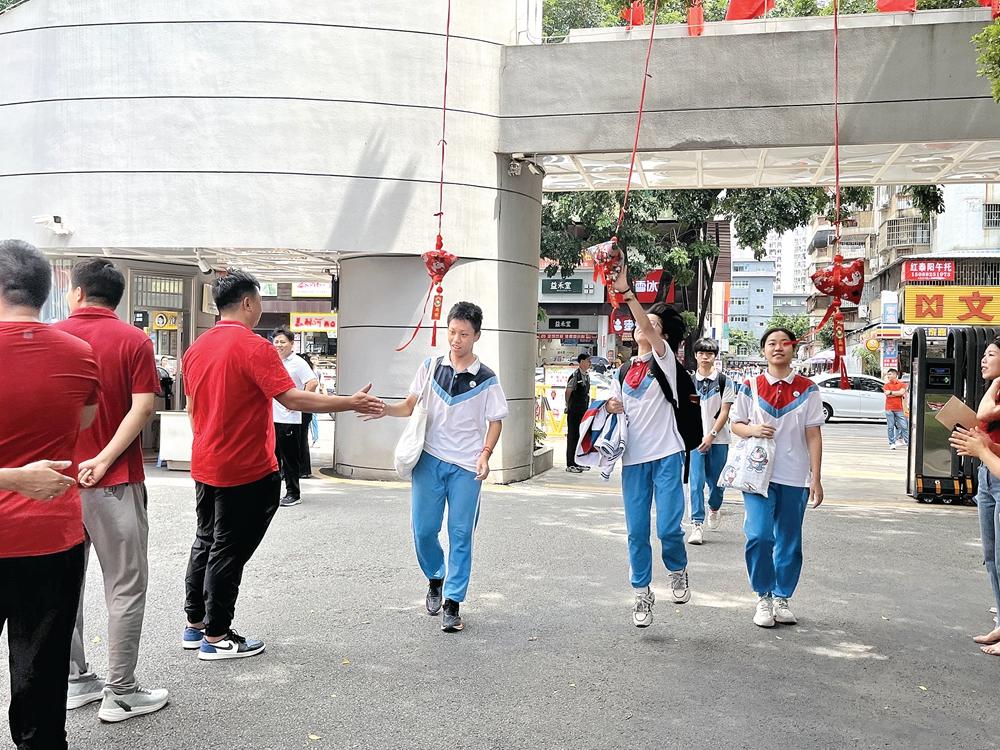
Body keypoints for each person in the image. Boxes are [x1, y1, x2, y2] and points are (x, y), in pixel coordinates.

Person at [181, 270, 384, 660]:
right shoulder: (254, 348)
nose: (260, 309)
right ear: (246, 303)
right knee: (228, 550)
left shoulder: (197, 348)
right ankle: (218, 635)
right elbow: (293, 400)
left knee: (206, 540)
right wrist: (350, 402)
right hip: (245, 468)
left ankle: (195, 625)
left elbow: (193, 408)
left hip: (206, 463)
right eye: (258, 301)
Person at [52, 258, 168, 722]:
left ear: (76, 292)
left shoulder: (52, 336)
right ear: (115, 297)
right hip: (115, 482)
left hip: (54, 482)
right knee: (125, 585)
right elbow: (143, 409)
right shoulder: (134, 339)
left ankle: (75, 680)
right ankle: (120, 692)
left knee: (63, 586)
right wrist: (103, 459)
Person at [0, 239, 99, 750]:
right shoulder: (80, 354)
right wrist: (18, 477)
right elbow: (81, 421)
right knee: (42, 671)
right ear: (49, 292)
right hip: (52, 535)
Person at [368, 302, 507, 633]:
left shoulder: (487, 378)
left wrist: (485, 454)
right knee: (424, 530)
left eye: (463, 334)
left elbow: (496, 420)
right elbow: (409, 406)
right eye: (452, 332)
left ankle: (453, 602)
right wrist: (384, 410)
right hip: (429, 461)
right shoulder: (431, 367)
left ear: (476, 336)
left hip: (466, 468)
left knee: (461, 534)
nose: (456, 340)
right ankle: (436, 576)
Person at [606, 271, 692, 629]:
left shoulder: (665, 361)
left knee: (669, 527)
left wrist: (625, 292)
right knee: (636, 531)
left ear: (663, 336)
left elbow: (648, 325)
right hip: (634, 461)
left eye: (652, 324)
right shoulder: (623, 371)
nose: (643, 326)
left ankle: (677, 567)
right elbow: (612, 405)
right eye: (641, 323)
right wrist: (611, 406)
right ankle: (641, 590)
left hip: (668, 454)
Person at [731, 327, 825, 628]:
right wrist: (753, 430)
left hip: (794, 476)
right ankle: (763, 596)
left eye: (785, 343)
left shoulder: (808, 389)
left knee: (789, 540)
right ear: (763, 351)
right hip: (758, 475)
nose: (778, 348)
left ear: (793, 350)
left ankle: (782, 596)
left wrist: (816, 477)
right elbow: (736, 426)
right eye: (772, 343)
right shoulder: (750, 385)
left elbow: (813, 433)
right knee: (759, 535)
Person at [949, 336, 1000, 656]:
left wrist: (982, 447)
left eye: (991, 354)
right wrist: (981, 446)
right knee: (992, 555)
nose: (983, 360)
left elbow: (983, 411)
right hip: (988, 474)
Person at [688, 337, 736, 545]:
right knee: (695, 483)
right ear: (696, 356)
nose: (705, 357)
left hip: (719, 439)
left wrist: (712, 435)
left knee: (717, 485)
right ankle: (696, 524)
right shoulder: (688, 381)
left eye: (709, 354)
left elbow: (725, 411)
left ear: (715, 357)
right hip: (694, 441)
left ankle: (714, 507)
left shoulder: (725, 381)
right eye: (701, 353)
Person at [269, 328, 318, 508]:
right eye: (276, 342)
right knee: (272, 458)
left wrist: (300, 402)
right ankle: (272, 494)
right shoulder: (272, 361)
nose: (279, 345)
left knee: (289, 459)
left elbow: (312, 382)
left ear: (291, 344)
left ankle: (293, 493)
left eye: (283, 342)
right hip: (272, 418)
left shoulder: (297, 362)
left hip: (289, 419)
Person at [564, 353, 592, 473]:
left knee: (581, 436)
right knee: (572, 436)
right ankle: (571, 464)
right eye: (587, 361)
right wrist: (568, 404)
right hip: (574, 410)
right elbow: (568, 391)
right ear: (581, 362)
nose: (589, 363)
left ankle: (579, 462)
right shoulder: (575, 376)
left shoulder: (586, 376)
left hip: (583, 411)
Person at [883, 369, 908, 450]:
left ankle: (908, 443)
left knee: (904, 426)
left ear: (895, 375)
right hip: (889, 408)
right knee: (890, 427)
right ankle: (892, 443)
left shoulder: (902, 384)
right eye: (887, 374)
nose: (888, 376)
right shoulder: (886, 385)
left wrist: (891, 392)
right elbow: (887, 393)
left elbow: (901, 393)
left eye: (889, 374)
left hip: (899, 408)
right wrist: (895, 393)